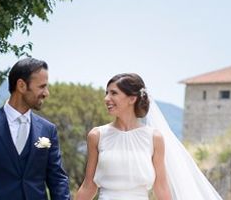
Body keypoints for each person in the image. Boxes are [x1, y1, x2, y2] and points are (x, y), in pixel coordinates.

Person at [75, 73, 223, 200]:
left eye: (113, 93)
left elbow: (161, 187)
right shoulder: (96, 135)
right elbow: (89, 186)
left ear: (132, 99)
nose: (106, 98)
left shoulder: (154, 138)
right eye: (106, 93)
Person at [0, 58, 71, 200]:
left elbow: (57, 179)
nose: (46, 93)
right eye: (41, 86)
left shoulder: (48, 130)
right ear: (21, 85)